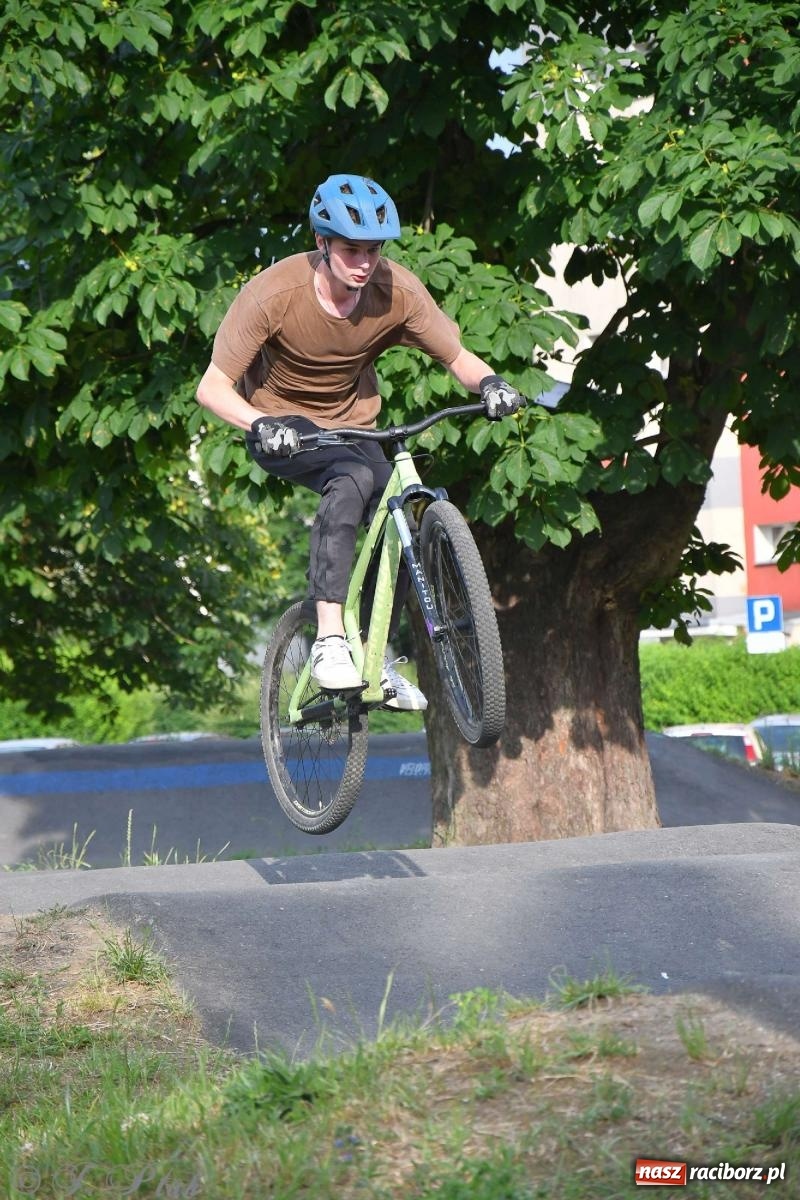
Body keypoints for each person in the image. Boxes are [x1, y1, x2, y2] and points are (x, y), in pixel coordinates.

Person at [196, 173, 521, 708]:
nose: (364, 262)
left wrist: (490, 384)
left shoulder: (397, 291)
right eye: (351, 249)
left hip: (353, 423)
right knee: (351, 480)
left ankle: (374, 655)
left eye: (373, 250)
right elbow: (211, 388)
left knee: (392, 510)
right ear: (322, 243)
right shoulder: (275, 294)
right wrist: (258, 423)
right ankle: (327, 640)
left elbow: (458, 358)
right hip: (282, 426)